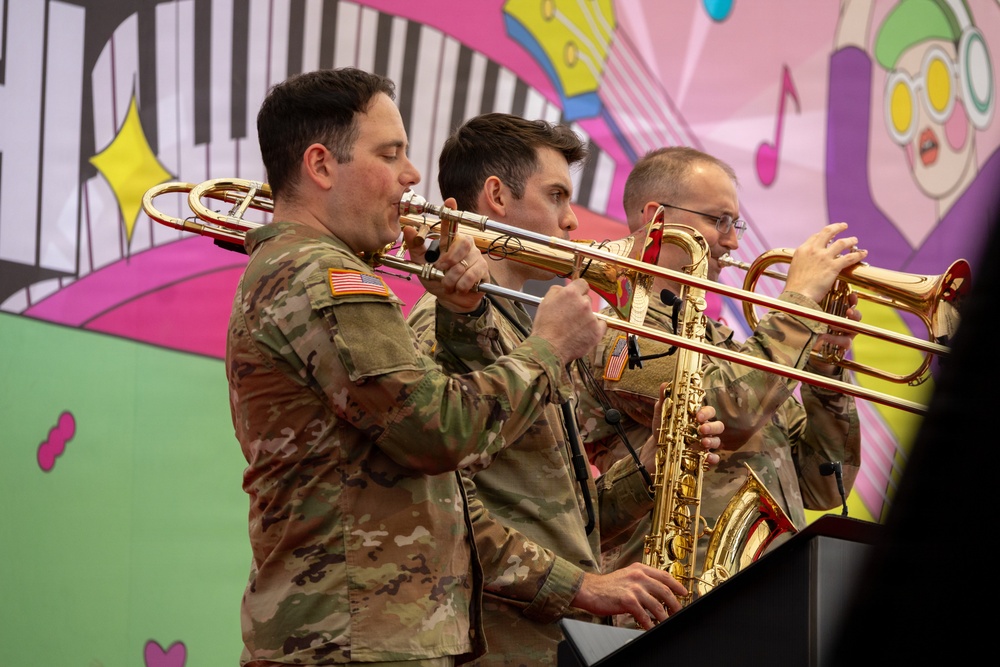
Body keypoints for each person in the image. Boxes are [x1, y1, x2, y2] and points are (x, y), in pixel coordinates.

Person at [227, 69, 606, 666]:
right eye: (391, 153)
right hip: (351, 640)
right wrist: (549, 349)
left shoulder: (316, 270)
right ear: (322, 166)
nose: (411, 175)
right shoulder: (326, 277)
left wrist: (459, 316)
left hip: (359, 633)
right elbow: (439, 431)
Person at [406, 114, 724, 665]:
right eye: (556, 196)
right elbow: (444, 513)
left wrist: (653, 465)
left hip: (544, 635)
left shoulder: (525, 325)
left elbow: (554, 515)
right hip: (490, 640)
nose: (572, 221)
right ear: (497, 197)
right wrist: (583, 587)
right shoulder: (439, 323)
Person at [577, 146, 864, 604]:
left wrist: (826, 365)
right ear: (657, 217)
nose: (732, 242)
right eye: (720, 221)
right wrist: (800, 302)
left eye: (736, 225)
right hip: (672, 594)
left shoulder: (730, 346)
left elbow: (822, 483)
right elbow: (728, 410)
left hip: (769, 596)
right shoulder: (616, 330)